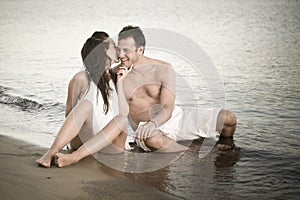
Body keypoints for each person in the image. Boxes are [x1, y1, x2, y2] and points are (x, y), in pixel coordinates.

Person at [114, 25, 237, 152]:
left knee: (228, 118)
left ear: (140, 50)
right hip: (146, 129)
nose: (121, 55)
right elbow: (94, 76)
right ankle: (193, 152)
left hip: (174, 119)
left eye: (126, 50)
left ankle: (226, 147)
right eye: (119, 50)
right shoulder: (115, 74)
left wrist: (153, 123)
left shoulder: (163, 68)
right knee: (153, 140)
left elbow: (167, 107)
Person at [36, 32, 126, 167]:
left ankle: (75, 157)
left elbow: (125, 113)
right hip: (84, 138)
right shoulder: (82, 78)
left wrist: (121, 82)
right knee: (86, 105)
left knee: (122, 120)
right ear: (105, 51)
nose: (118, 49)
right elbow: (70, 114)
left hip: (109, 144)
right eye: (114, 46)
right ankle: (50, 154)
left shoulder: (119, 75)